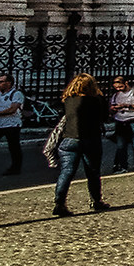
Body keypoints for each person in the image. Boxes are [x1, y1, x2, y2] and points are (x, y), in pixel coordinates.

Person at [52, 73, 112, 217]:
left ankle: (59, 203)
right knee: (92, 172)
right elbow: (104, 117)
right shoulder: (96, 100)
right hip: (90, 138)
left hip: (69, 138)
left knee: (66, 172)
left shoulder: (68, 100)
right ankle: (96, 201)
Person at [107, 76, 134, 172]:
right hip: (120, 121)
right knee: (121, 145)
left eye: (120, 87)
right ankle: (123, 166)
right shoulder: (116, 95)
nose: (118, 89)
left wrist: (128, 105)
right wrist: (113, 109)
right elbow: (111, 107)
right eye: (116, 88)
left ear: (126, 83)